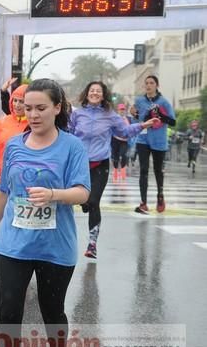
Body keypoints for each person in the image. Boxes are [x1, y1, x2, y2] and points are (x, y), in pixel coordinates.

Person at [0, 79, 91, 347]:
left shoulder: (72, 147)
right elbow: (5, 188)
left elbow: (83, 192)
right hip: (13, 242)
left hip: (54, 246)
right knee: (9, 312)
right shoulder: (14, 145)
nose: (33, 114)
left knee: (52, 310)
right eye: (28, 108)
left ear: (57, 108)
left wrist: (53, 194)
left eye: (41, 108)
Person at [69, 82, 156, 259]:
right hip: (79, 165)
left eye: (98, 91)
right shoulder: (77, 114)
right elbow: (67, 133)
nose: (94, 93)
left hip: (100, 164)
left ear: (103, 95)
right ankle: (84, 203)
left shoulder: (110, 115)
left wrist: (143, 125)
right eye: (92, 90)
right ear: (87, 94)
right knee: (83, 200)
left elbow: (124, 132)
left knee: (93, 202)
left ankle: (92, 244)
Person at [134, 75, 176, 214]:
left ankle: (160, 195)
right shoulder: (139, 100)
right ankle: (143, 202)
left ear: (156, 85)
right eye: (146, 83)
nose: (148, 85)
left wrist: (159, 116)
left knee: (158, 171)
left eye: (151, 83)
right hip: (143, 139)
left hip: (159, 140)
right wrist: (133, 113)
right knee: (144, 170)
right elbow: (138, 116)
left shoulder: (163, 102)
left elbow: (172, 122)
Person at [0, 84, 28, 183]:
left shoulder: (34, 125)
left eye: (21, 101)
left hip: (26, 180)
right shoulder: (2, 122)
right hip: (3, 180)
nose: (17, 105)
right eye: (15, 100)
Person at [110, 103, 131, 181]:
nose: (122, 111)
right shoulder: (115, 118)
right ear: (118, 110)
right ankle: (115, 172)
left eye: (123, 109)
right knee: (115, 157)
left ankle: (123, 172)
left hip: (124, 141)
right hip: (115, 140)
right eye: (121, 109)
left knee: (123, 155)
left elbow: (131, 128)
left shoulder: (128, 119)